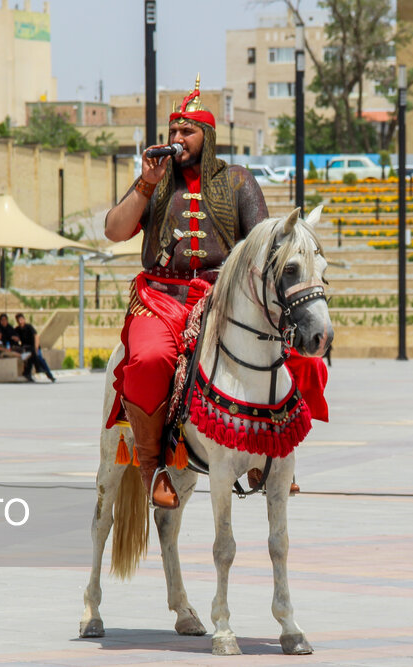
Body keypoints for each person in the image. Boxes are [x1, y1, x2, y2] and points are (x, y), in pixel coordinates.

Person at [103, 75, 326, 509]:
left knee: (297, 355)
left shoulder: (238, 181)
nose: (177, 138)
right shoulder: (155, 179)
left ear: (207, 135)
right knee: (149, 359)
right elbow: (114, 230)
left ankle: (272, 454)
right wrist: (145, 183)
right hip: (161, 298)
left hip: (222, 294)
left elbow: (262, 243)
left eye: (187, 131)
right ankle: (153, 468)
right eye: (172, 130)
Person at [14, 313, 55, 383]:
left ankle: (49, 375)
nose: (20, 322)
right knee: (30, 359)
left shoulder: (29, 327)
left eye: (21, 319)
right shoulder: (17, 329)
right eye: (19, 320)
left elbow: (36, 336)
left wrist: (36, 348)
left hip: (34, 347)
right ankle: (28, 373)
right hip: (26, 348)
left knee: (39, 358)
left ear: (24, 319)